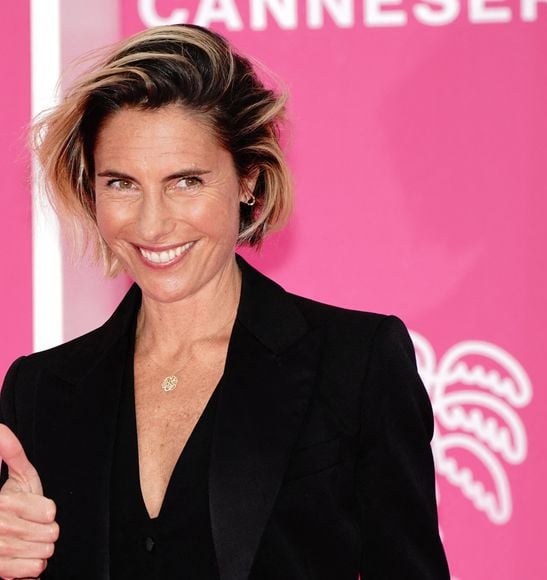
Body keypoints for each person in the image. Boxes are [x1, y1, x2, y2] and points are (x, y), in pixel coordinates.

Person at [0, 24, 449, 579]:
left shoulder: (356, 364)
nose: (152, 222)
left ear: (247, 182)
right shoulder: (40, 390)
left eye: (185, 181)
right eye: (122, 184)